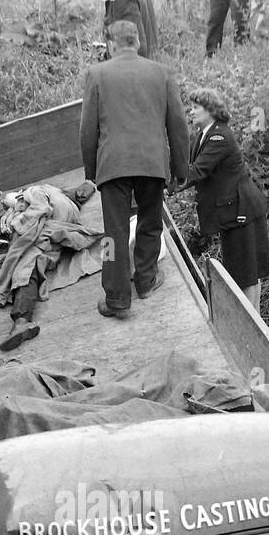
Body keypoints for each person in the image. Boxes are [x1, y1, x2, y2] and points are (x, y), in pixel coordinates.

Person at [79, 20, 189, 318]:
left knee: (113, 234)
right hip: (152, 163)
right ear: (137, 42)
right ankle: (146, 281)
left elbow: (87, 130)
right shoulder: (161, 73)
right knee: (150, 222)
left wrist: (92, 171)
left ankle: (116, 300)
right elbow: (178, 125)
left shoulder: (97, 74)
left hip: (113, 164)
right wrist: (181, 168)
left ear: (111, 45)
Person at [0, 181, 102, 352]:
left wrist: (87, 184)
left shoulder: (45, 194)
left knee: (25, 274)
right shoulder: (2, 221)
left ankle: (21, 324)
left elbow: (82, 191)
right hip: (16, 253)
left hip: (42, 247)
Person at [179, 89, 269, 313]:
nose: (190, 112)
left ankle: (253, 325)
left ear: (210, 110)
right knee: (246, 272)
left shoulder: (219, 136)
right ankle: (255, 321)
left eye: (195, 108)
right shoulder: (204, 134)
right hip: (233, 211)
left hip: (242, 212)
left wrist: (164, 187)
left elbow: (197, 171)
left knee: (246, 274)